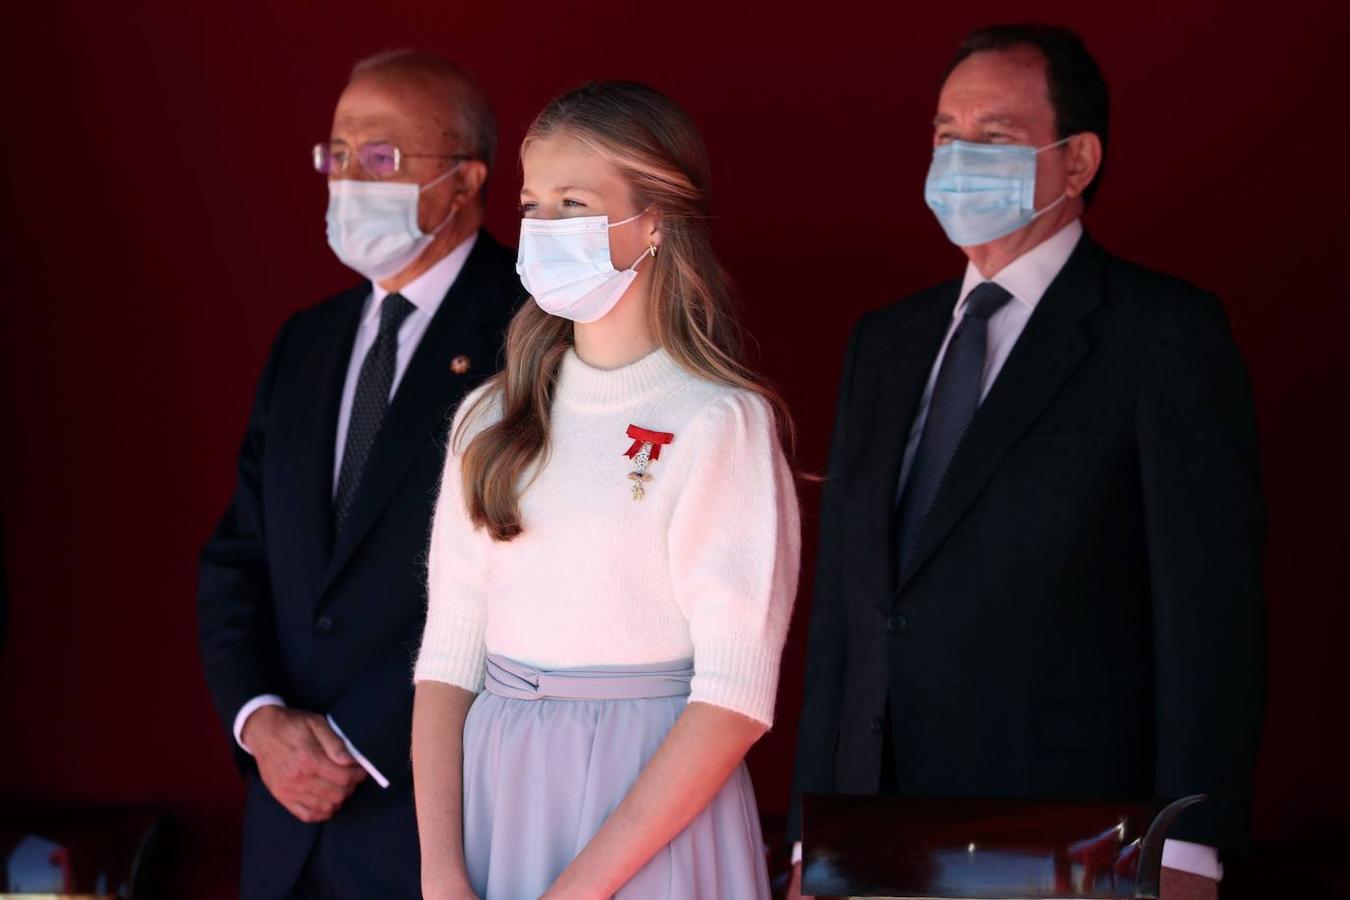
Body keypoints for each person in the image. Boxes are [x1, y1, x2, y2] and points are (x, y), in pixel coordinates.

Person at [788, 24, 1265, 900]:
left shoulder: (1162, 335)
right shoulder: (886, 342)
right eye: (944, 135)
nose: (958, 158)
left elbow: (1212, 619)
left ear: (1076, 161)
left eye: (994, 137)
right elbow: (846, 613)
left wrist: (1191, 845)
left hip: (1073, 829)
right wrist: (805, 833)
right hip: (870, 817)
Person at [411, 82, 800, 899]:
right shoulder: (490, 415)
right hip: (498, 798)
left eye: (574, 203)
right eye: (532, 204)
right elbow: (449, 659)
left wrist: (578, 888)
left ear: (655, 220)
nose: (544, 228)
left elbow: (732, 699)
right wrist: (441, 869)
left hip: (648, 812)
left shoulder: (718, 422)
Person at [197, 51, 520, 898]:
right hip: (286, 826)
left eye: (379, 158)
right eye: (335, 156)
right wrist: (260, 722)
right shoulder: (306, 342)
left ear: (463, 181)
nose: (347, 179)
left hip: (438, 824)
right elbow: (239, 559)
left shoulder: (535, 332)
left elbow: (522, 581)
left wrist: (357, 743)